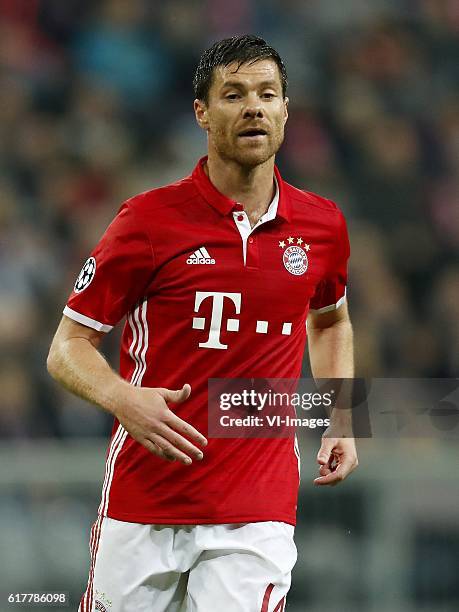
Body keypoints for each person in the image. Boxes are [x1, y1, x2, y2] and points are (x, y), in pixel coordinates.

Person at [47, 34, 358, 612]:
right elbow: (67, 346)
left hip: (256, 508)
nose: (254, 108)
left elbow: (331, 319)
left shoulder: (321, 226)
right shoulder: (147, 221)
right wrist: (122, 399)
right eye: (234, 94)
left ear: (286, 110)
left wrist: (343, 415)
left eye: (268, 94)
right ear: (202, 113)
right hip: (146, 499)